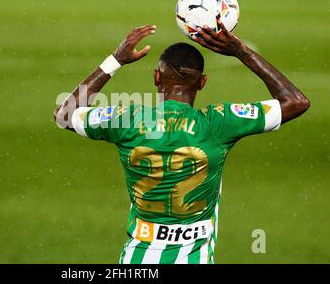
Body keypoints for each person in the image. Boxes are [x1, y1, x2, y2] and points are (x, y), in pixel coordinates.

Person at [54, 22, 310, 264]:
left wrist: (115, 61)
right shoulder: (218, 124)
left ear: (156, 77)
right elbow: (296, 102)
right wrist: (241, 51)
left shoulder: (128, 120)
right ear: (202, 82)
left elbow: (64, 114)